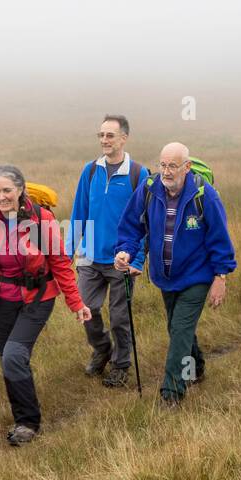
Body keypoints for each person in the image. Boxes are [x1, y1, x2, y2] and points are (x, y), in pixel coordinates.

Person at [0, 165, 91, 445]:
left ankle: (27, 423)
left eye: (7, 190)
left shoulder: (40, 219)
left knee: (12, 357)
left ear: (20, 189)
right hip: (2, 300)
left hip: (37, 298)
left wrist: (76, 303)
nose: (1, 197)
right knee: (10, 360)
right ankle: (23, 414)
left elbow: (59, 263)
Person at [114, 142, 236, 407]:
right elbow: (131, 225)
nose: (166, 172)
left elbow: (220, 239)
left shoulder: (205, 195)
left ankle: (172, 393)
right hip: (165, 275)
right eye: (163, 165)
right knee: (177, 328)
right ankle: (197, 367)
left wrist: (220, 277)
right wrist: (125, 251)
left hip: (197, 275)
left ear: (187, 167)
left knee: (180, 330)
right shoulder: (148, 189)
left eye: (173, 166)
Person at [70, 114, 149, 387]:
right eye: (101, 135)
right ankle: (102, 348)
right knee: (86, 309)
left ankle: (121, 365)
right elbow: (78, 213)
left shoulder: (139, 173)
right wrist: (68, 252)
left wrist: (137, 258)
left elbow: (145, 221)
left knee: (119, 317)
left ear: (123, 139)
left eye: (110, 136)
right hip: (89, 257)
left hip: (121, 260)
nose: (104, 140)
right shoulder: (90, 170)